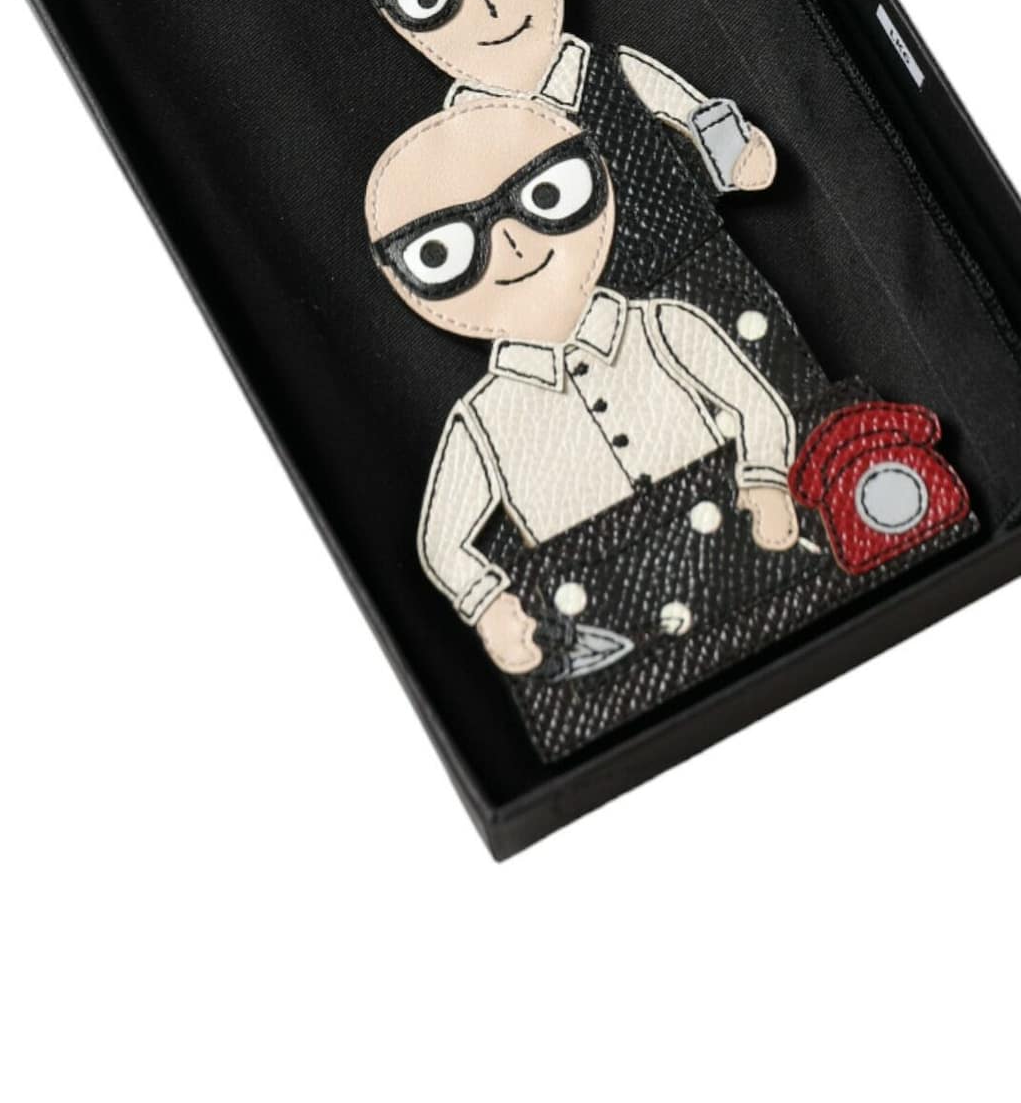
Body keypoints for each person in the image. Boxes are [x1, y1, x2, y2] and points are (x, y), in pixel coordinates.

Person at [366, 96, 904, 757]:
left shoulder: (663, 324)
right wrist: (490, 604)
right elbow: (443, 541)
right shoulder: (482, 419)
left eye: (545, 196)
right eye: (444, 249)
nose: (511, 244)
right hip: (622, 626)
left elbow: (756, 404)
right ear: (404, 274)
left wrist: (766, 478)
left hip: (763, 560)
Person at [347, 0, 836, 428]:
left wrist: (735, 154)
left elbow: (699, 121)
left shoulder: (615, 71)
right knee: (664, 430)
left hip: (691, 258)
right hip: (585, 331)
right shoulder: (461, 140)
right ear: (395, 12)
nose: (487, 4)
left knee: (777, 383)